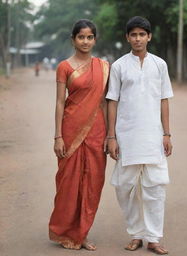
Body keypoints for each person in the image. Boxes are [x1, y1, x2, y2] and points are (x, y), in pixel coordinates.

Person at [106, 16, 173, 255]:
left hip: (153, 136)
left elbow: (164, 99)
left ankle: (153, 238)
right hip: (126, 136)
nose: (137, 38)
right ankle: (136, 234)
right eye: (133, 34)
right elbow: (112, 101)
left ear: (149, 37)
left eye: (141, 34)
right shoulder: (119, 66)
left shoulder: (160, 65)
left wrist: (166, 133)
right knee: (124, 187)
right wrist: (111, 136)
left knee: (155, 188)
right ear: (127, 37)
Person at [49, 19, 109, 250]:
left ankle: (82, 232)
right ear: (73, 39)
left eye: (90, 37)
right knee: (68, 183)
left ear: (95, 39)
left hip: (97, 131)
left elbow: (104, 103)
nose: (86, 41)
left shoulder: (103, 67)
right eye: (81, 37)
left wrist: (110, 135)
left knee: (93, 182)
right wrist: (58, 136)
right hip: (70, 130)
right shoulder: (64, 66)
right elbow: (59, 102)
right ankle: (65, 230)